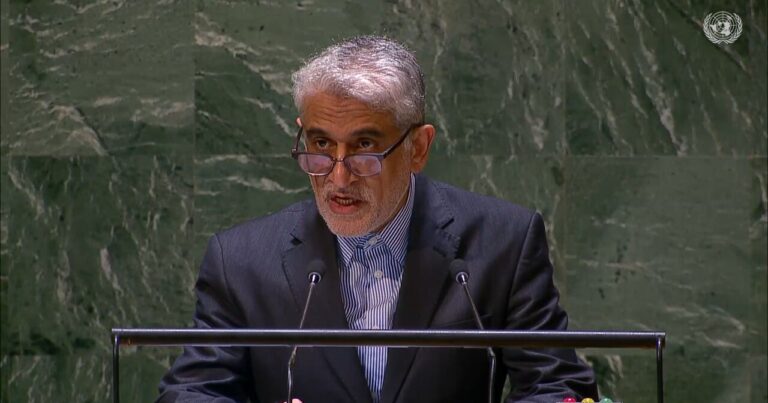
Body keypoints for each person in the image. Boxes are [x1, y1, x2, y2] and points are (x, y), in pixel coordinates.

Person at [158, 35, 598, 403]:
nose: (339, 176)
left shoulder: (503, 242)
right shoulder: (240, 261)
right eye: (321, 145)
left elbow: (558, 386)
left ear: (418, 148)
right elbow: (192, 392)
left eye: (365, 147)